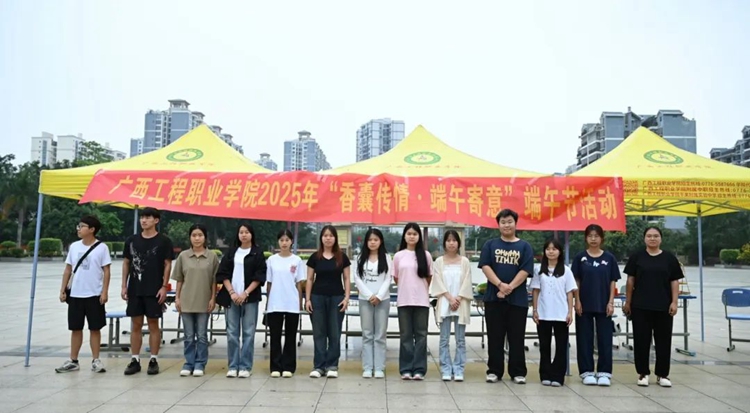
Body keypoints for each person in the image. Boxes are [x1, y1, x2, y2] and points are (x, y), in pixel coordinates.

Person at [478, 209, 534, 384]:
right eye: (503, 222)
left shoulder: (524, 246)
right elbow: (485, 266)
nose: (506, 225)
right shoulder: (490, 245)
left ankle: (518, 372)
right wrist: (500, 285)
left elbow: (525, 270)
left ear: (515, 223)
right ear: (498, 225)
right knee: (495, 336)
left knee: (516, 337)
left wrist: (510, 287)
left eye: (510, 221)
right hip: (494, 298)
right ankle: (494, 371)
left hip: (517, 300)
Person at [623, 226, 683, 388]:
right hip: (640, 306)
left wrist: (674, 302)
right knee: (641, 340)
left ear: (661, 239)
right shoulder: (637, 257)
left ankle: (662, 374)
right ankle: (643, 373)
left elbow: (674, 281)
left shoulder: (669, 258)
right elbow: (630, 280)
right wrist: (628, 302)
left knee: (663, 341)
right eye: (649, 236)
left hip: (663, 306)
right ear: (644, 239)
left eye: (656, 236)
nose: (652, 238)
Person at [56, 215, 111, 373]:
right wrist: (63, 289)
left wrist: (104, 291)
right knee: (75, 328)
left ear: (92, 229)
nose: (78, 229)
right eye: (78, 226)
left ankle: (96, 360)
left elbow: (106, 271)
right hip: (76, 294)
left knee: (95, 328)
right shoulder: (74, 247)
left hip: (94, 294)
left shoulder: (102, 248)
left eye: (82, 226)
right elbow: (68, 269)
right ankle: (73, 361)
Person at [121, 207, 174, 376]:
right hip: (135, 289)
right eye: (142, 217)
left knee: (153, 324)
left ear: (156, 220)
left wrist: (164, 286)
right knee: (136, 324)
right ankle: (135, 359)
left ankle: (153, 359)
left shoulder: (164, 241)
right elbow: (126, 263)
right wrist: (124, 285)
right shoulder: (131, 240)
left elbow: (167, 264)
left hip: (154, 289)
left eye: (148, 217)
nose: (143, 220)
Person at [571, 224, 621, 386]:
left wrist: (611, 302)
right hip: (584, 304)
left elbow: (612, 281)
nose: (593, 239)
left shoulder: (609, 258)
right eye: (590, 236)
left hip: (603, 303)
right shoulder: (580, 258)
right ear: (586, 238)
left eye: (596, 236)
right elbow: (576, 281)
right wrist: (577, 300)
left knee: (605, 338)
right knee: (584, 338)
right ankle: (586, 372)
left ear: (602, 238)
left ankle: (604, 372)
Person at [216, 222, 267, 378]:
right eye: (241, 232)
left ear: (252, 234)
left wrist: (245, 293)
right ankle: (233, 365)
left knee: (248, 332)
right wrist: (232, 292)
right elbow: (223, 273)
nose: (244, 235)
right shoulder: (231, 252)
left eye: (246, 232)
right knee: (232, 332)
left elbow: (260, 276)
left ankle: (245, 366)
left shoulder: (257, 253)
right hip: (231, 297)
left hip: (250, 298)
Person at [171, 224, 219, 377]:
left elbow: (214, 281)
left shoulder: (212, 256)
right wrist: (177, 298)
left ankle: (200, 363)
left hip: (204, 301)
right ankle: (189, 363)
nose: (197, 238)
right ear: (190, 238)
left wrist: (213, 298)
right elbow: (179, 279)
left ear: (205, 237)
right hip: (186, 301)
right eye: (194, 235)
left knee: (202, 335)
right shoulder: (183, 256)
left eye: (200, 235)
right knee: (189, 335)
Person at [305, 225, 351, 378]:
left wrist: (346, 298)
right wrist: (308, 299)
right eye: (325, 235)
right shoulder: (315, 257)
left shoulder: (342, 257)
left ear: (335, 238)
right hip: (317, 297)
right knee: (319, 332)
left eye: (331, 235)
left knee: (334, 332)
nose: (328, 238)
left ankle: (332, 365)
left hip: (337, 298)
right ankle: (319, 366)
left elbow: (346, 278)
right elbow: (309, 279)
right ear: (321, 238)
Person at [531, 238, 577, 387]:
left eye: (554, 249)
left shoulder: (566, 270)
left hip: (561, 314)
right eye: (548, 249)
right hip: (543, 313)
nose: (551, 252)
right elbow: (535, 291)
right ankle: (545, 374)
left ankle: (558, 376)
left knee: (561, 346)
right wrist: (535, 310)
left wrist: (570, 312)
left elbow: (570, 292)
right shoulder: (539, 270)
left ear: (560, 252)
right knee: (544, 346)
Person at [430, 230, 473, 382]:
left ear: (458, 243)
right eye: (448, 240)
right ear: (444, 243)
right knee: (444, 339)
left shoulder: (465, 261)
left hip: (460, 303)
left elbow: (467, 281)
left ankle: (459, 368)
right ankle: (446, 369)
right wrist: (449, 298)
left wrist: (458, 299)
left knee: (460, 339)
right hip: (444, 303)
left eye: (454, 240)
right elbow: (437, 282)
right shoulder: (439, 261)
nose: (451, 243)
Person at [393, 222, 432, 380]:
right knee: (406, 336)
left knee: (421, 335)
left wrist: (419, 290)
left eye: (415, 234)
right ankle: (406, 369)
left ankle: (419, 369)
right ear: (404, 236)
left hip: (421, 301)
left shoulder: (426, 255)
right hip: (404, 300)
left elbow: (429, 277)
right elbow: (396, 277)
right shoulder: (398, 256)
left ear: (419, 237)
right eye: (409, 234)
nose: (411, 236)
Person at [265, 229, 306, 378]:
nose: (284, 243)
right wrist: (268, 302)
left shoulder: (297, 260)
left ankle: (288, 366)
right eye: (281, 240)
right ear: (278, 242)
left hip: (291, 303)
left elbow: (299, 283)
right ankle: (275, 366)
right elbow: (269, 283)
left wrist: (299, 302)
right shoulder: (272, 260)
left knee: (290, 336)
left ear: (291, 242)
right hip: (275, 303)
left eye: (287, 240)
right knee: (275, 336)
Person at [354, 228, 392, 379]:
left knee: (380, 335)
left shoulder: (387, 258)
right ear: (366, 242)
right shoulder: (360, 258)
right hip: (365, 300)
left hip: (383, 300)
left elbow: (388, 278)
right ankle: (368, 367)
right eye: (370, 240)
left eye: (376, 239)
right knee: (367, 334)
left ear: (380, 241)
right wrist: (370, 295)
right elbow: (357, 278)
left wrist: (379, 296)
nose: (373, 242)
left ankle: (379, 367)